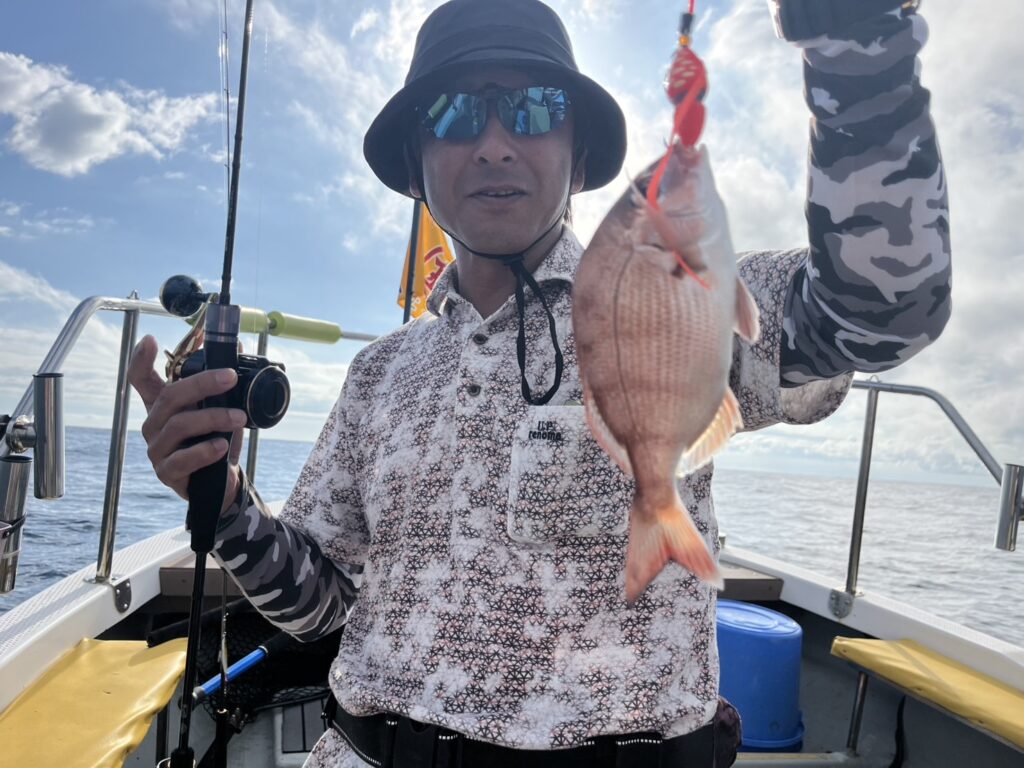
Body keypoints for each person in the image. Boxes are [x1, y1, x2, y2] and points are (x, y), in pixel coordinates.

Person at [128, 1, 950, 766]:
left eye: (533, 110)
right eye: (454, 115)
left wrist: (856, 38)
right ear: (416, 166)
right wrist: (221, 499)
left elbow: (884, 305)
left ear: (579, 156)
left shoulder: (677, 293)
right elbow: (318, 606)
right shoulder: (377, 372)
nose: (493, 144)